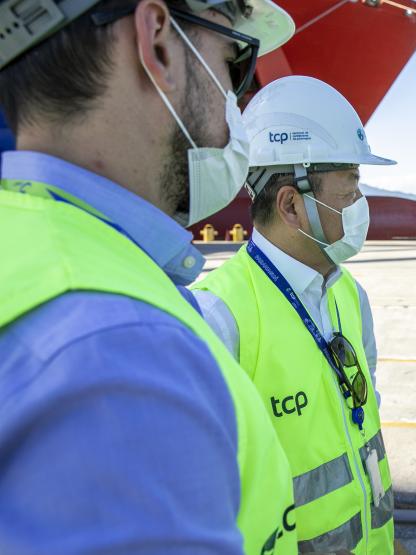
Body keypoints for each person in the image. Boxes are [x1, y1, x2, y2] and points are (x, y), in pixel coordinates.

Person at [0, 1, 300, 553]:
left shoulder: (25, 248)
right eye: (235, 61)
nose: (237, 100)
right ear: (159, 42)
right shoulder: (124, 354)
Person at [193, 75, 395, 554]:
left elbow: (362, 430)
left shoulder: (350, 295)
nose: (360, 206)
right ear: (291, 205)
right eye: (350, 191)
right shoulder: (219, 319)